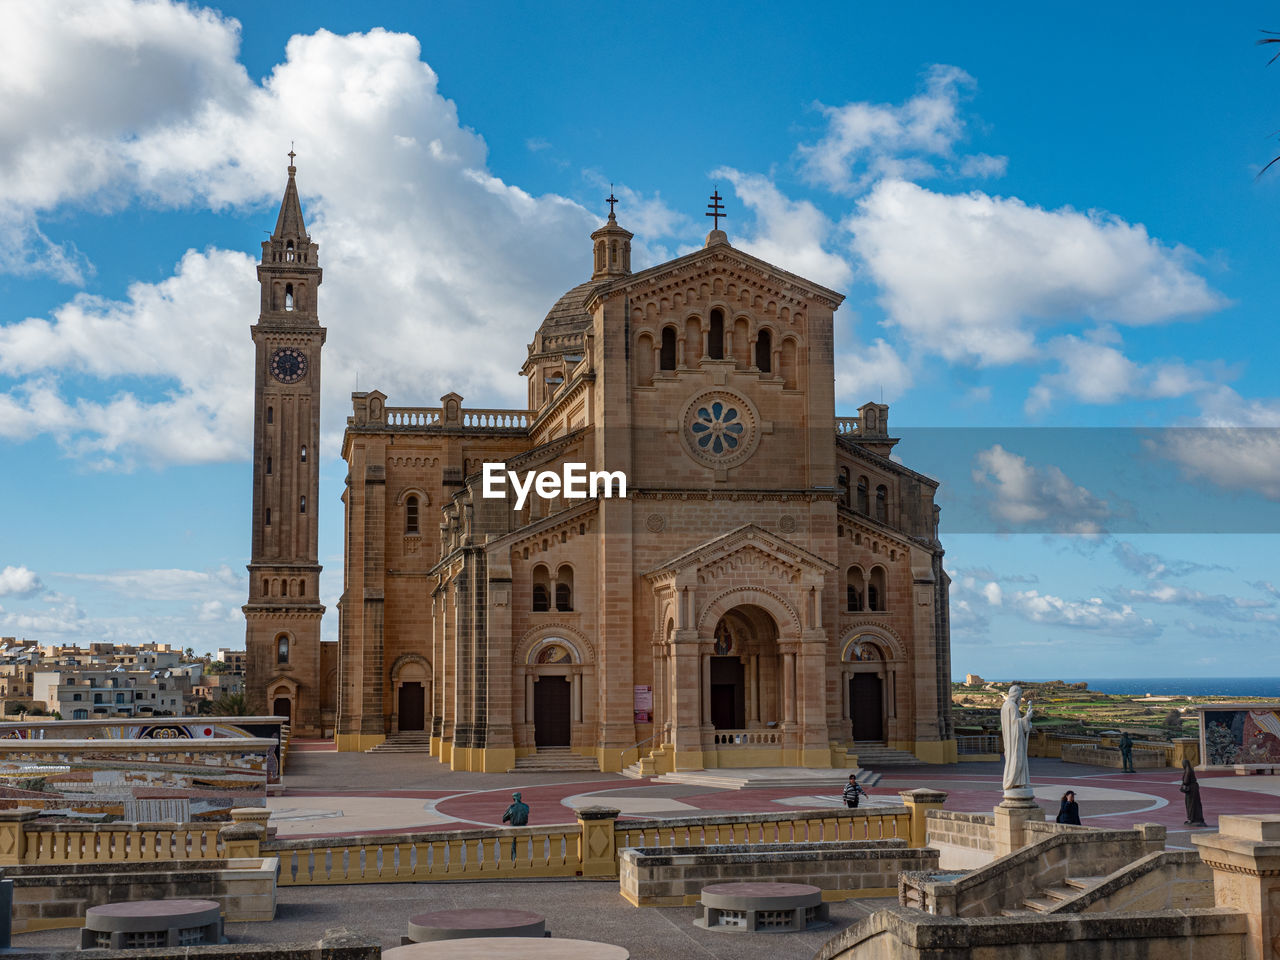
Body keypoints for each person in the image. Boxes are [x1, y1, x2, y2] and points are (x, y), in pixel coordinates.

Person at [1000, 684, 1034, 797]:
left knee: (1014, 760)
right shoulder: (1012, 706)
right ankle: (1014, 782)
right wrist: (1027, 718)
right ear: (1016, 695)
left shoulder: (1005, 706)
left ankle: (1019, 783)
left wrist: (1025, 720)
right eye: (1019, 696)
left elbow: (1012, 723)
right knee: (1017, 760)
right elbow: (1015, 724)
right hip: (1015, 740)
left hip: (1010, 740)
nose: (1020, 699)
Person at [1180, 758, 1206, 826]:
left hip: (1190, 790)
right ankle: (1198, 818)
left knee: (1190, 804)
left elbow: (1186, 781)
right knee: (1196, 804)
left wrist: (1182, 786)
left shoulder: (1187, 771)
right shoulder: (1191, 770)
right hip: (1194, 789)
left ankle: (1191, 819)